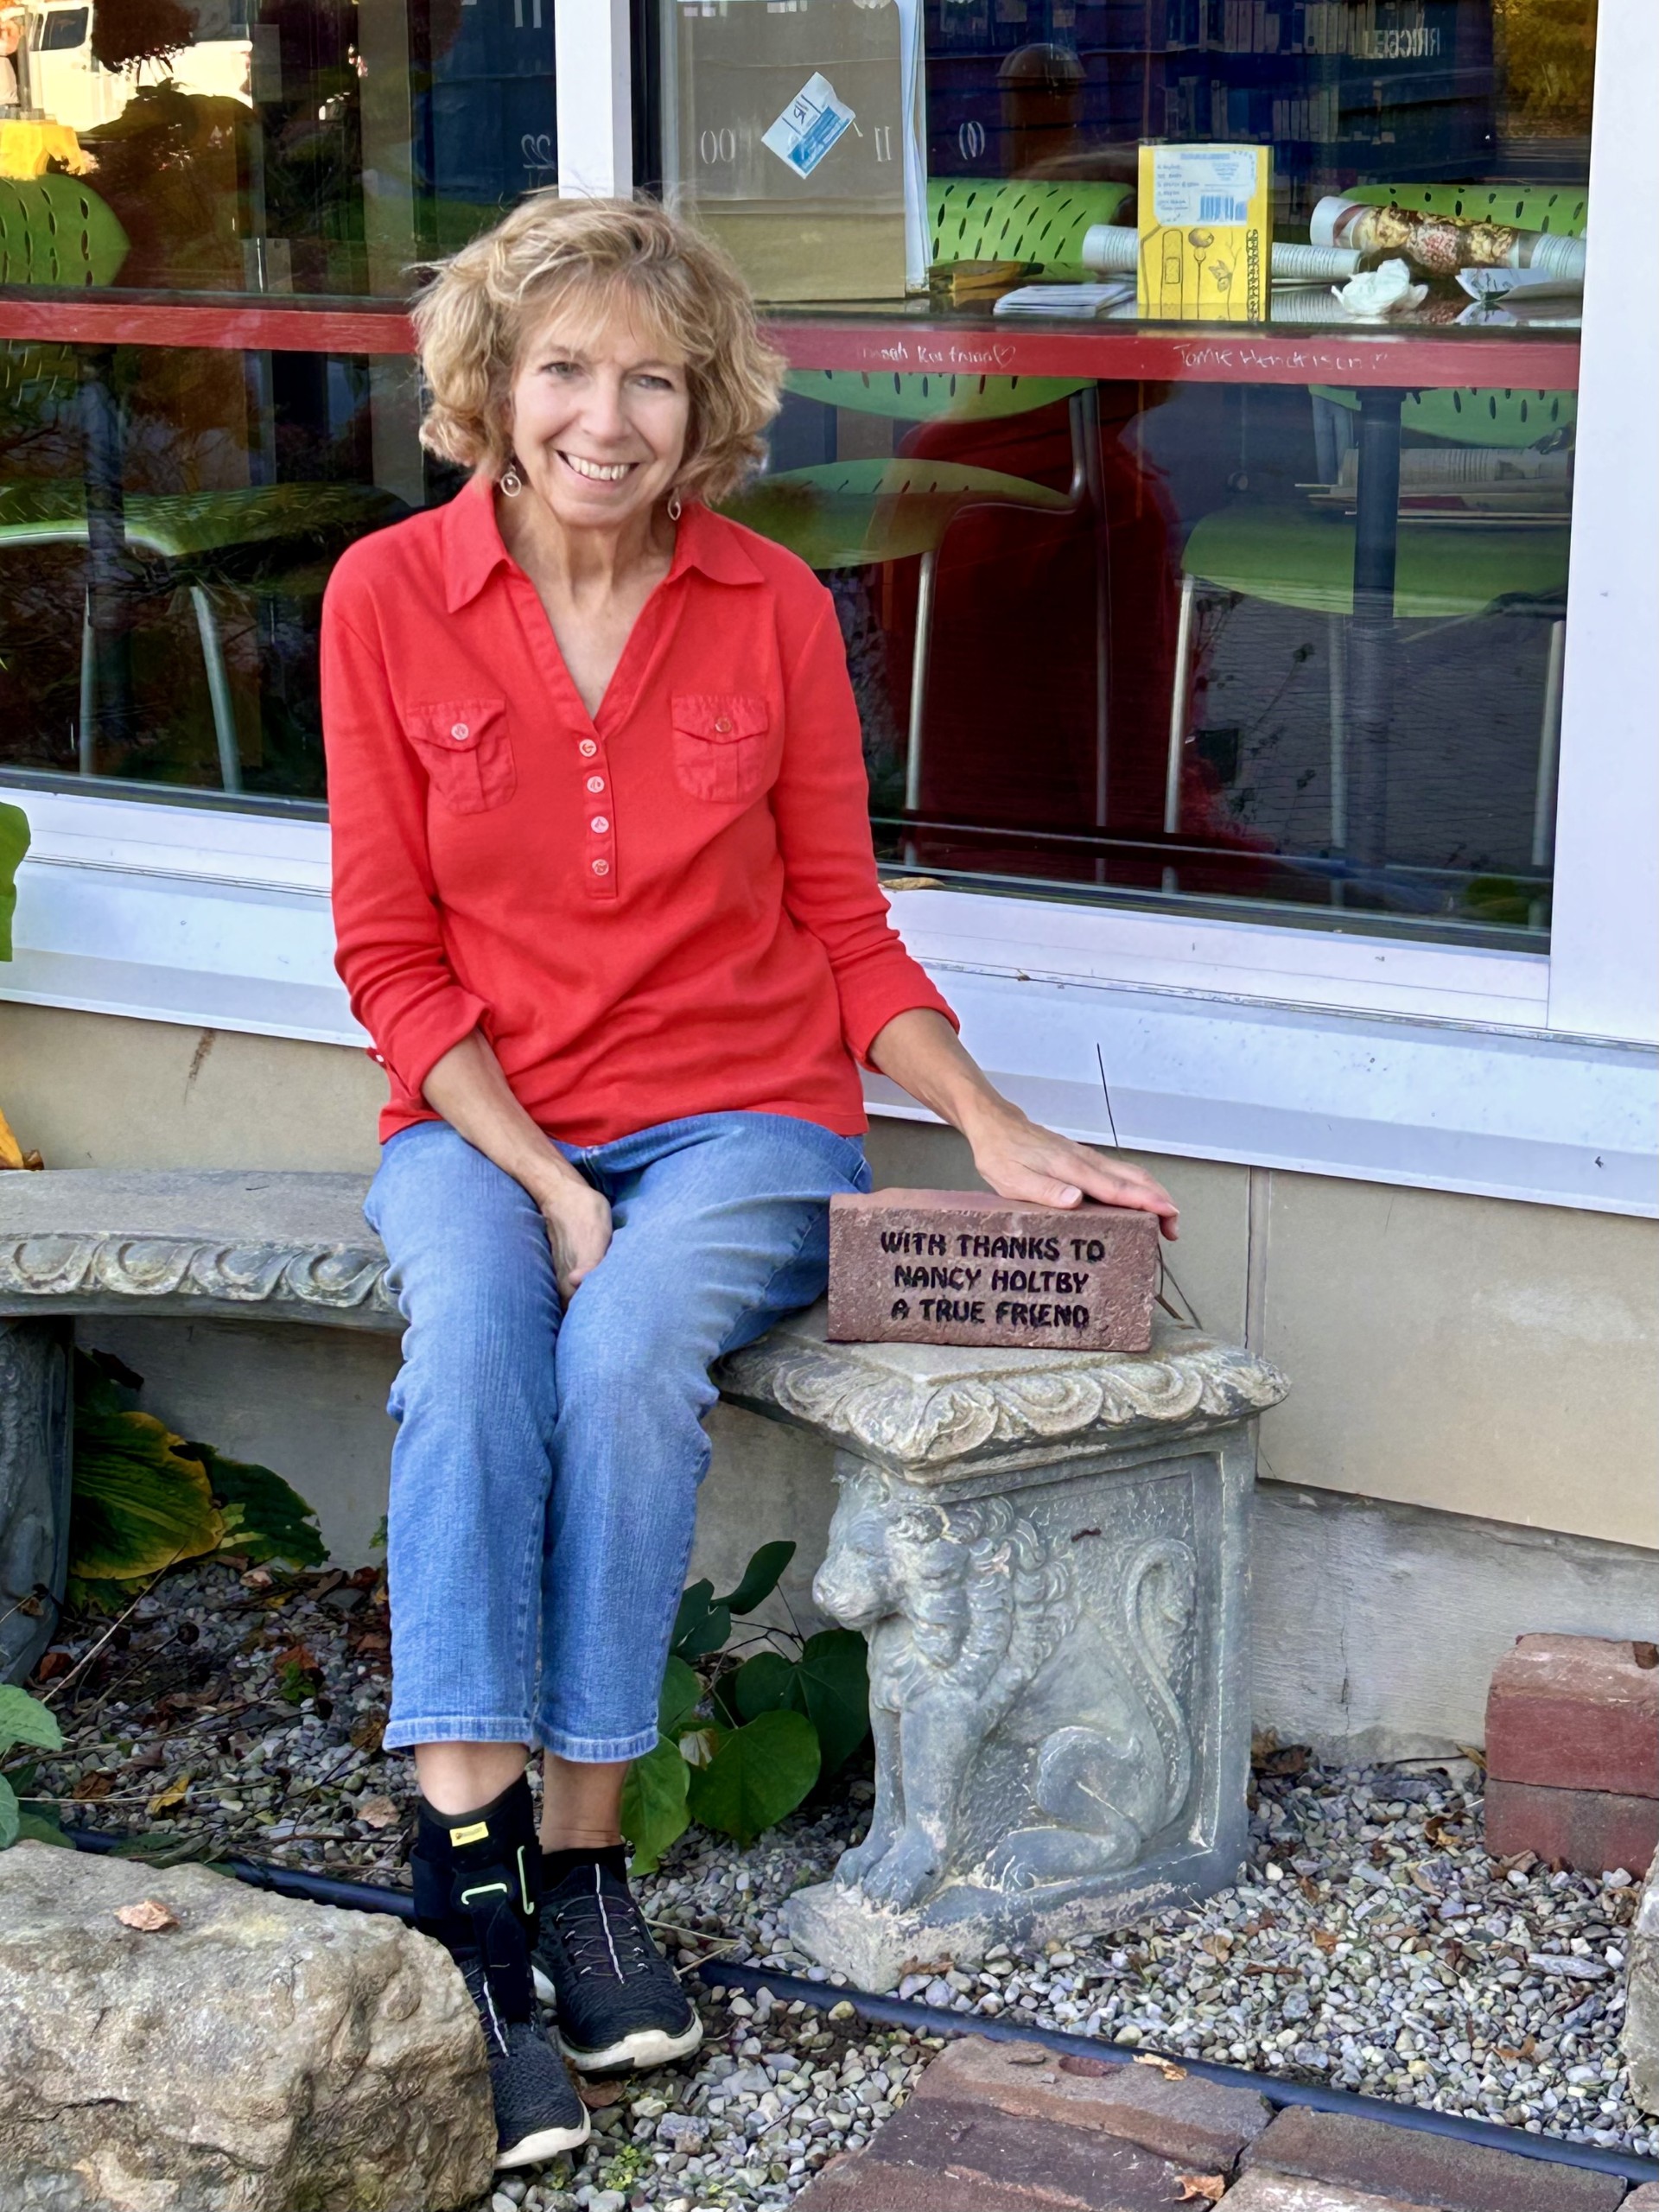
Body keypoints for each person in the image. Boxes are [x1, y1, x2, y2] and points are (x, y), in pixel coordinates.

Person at [321, 194, 1179, 2171]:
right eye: (561, 369)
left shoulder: (773, 610)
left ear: (704, 408)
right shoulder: (385, 597)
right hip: (471, 1109)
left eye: (649, 377)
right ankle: (469, 1887)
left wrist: (990, 1123)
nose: (602, 417)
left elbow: (839, 923)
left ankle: (589, 1858)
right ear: (492, 386)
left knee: (625, 1359)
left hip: (736, 1113)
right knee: (471, 1336)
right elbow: (386, 954)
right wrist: (534, 1171)